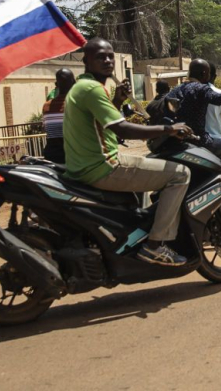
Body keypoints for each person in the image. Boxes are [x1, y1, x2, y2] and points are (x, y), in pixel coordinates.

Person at [63, 38, 194, 266]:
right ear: (86, 60)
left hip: (88, 165)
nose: (107, 60)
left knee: (147, 164)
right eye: (100, 56)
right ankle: (155, 245)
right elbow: (121, 128)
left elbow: (99, 123)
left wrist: (116, 100)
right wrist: (169, 129)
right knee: (180, 174)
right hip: (104, 166)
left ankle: (140, 231)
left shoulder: (83, 86)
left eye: (110, 56)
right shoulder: (92, 89)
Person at [42, 68, 75, 164]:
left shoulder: (46, 106)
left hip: (51, 157)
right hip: (73, 158)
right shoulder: (76, 105)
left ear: (56, 85)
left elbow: (45, 129)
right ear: (74, 83)